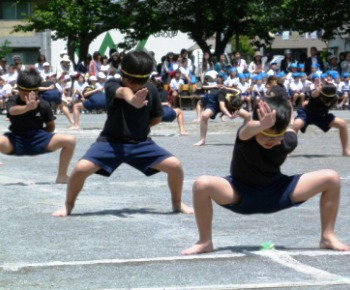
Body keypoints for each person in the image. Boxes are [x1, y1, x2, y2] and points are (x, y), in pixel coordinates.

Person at [182, 96, 350, 255]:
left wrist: (287, 118)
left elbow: (291, 129)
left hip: (278, 191)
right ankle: (205, 241)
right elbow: (247, 130)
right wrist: (261, 125)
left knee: (331, 178)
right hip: (240, 192)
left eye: (277, 137)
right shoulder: (247, 136)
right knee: (202, 184)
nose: (271, 141)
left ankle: (328, 236)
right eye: (265, 134)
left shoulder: (289, 140)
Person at [52, 50, 193, 217]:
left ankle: (177, 203)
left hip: (141, 143)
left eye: (140, 83)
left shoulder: (151, 90)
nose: (134, 86)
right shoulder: (112, 84)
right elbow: (122, 92)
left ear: (147, 80)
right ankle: (68, 205)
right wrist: (133, 100)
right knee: (80, 169)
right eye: (131, 82)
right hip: (110, 143)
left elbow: (157, 117)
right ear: (122, 75)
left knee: (175, 166)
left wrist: (142, 125)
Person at [0, 68, 76, 183]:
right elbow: (12, 111)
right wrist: (27, 107)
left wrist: (42, 135)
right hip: (16, 140)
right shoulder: (13, 100)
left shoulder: (44, 104)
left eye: (31, 93)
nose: (27, 96)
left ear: (37, 91)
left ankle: (62, 176)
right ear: (18, 89)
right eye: (24, 93)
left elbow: (51, 127)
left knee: (70, 140)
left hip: (38, 138)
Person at [292, 83, 350, 156]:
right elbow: (313, 94)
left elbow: (327, 104)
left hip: (322, 116)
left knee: (342, 124)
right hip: (307, 114)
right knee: (296, 125)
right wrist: (317, 90)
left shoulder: (334, 98)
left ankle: (346, 150)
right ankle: (287, 151)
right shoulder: (317, 94)